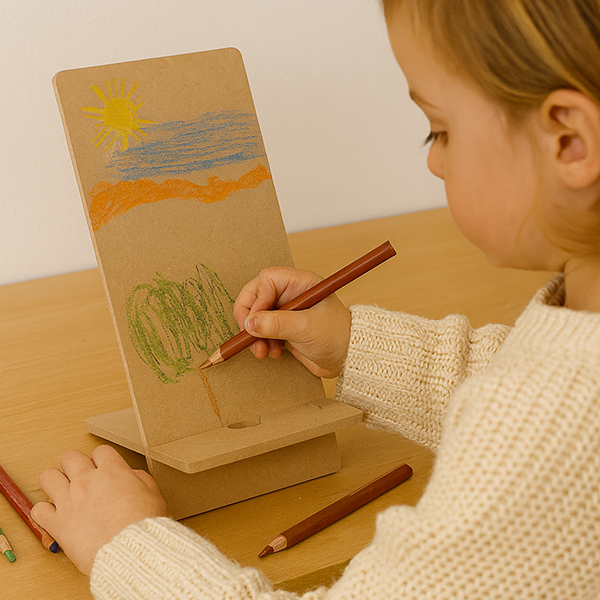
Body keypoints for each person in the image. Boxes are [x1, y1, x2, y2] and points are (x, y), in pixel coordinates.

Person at [30, 0, 600, 597]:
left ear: (571, 142)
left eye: (440, 130)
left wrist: (127, 544)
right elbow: (523, 375)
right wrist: (355, 346)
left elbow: (538, 421)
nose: (434, 161)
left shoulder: (541, 441)